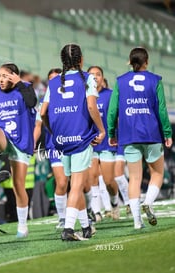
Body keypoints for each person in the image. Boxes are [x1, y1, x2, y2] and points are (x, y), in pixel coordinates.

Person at [40, 44, 105, 241]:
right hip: (80, 137)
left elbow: (43, 112)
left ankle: (86, 226)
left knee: (73, 185)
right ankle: (68, 228)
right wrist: (101, 130)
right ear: (81, 59)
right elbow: (92, 107)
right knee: (77, 185)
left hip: (61, 139)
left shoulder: (53, 83)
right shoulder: (87, 78)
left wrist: (53, 131)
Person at [107, 47, 172, 229]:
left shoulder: (120, 81)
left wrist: (112, 133)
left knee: (134, 178)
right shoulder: (155, 80)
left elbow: (112, 111)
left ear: (130, 62)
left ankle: (137, 221)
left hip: (129, 135)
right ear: (147, 61)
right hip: (152, 133)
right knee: (157, 173)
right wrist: (167, 133)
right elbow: (161, 110)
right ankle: (149, 202)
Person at [0, 62, 37, 238]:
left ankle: (23, 226)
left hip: (22, 142)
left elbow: (32, 102)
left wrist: (19, 82)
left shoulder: (25, 88)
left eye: (4, 76)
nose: (0, 79)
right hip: (3, 137)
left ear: (13, 76)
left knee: (19, 185)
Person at [34, 68, 69, 229]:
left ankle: (89, 212)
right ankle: (62, 218)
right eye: (51, 79)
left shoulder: (72, 96)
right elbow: (38, 126)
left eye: (57, 78)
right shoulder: (43, 102)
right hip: (54, 146)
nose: (54, 82)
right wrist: (32, 144)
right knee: (61, 182)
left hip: (73, 143)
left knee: (80, 183)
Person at [87, 66, 120, 221]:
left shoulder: (111, 95)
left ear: (102, 77)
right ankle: (96, 211)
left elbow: (117, 118)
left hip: (107, 143)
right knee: (92, 176)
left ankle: (114, 203)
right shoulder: (84, 95)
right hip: (91, 143)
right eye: (92, 75)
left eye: (98, 74)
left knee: (108, 181)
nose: (95, 77)